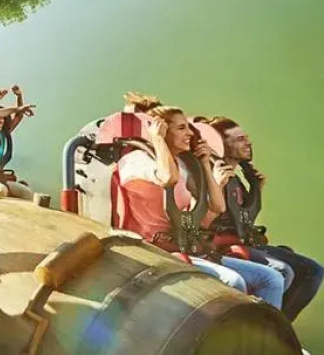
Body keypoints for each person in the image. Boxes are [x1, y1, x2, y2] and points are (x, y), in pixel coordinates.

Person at [115, 93, 286, 308]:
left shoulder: (185, 166)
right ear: (160, 129)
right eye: (181, 128)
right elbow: (167, 178)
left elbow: (215, 208)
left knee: (271, 279)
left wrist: (205, 166)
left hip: (188, 246)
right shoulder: (136, 161)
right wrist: (157, 140)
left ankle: (267, 328)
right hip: (156, 250)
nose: (189, 133)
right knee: (233, 282)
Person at [205, 116, 324, 321]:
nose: (248, 143)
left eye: (246, 137)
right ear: (221, 144)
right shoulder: (216, 176)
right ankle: (271, 326)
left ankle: (279, 324)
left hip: (242, 241)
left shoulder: (234, 179)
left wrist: (255, 190)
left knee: (313, 269)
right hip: (222, 246)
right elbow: (233, 221)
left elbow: (244, 220)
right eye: (240, 139)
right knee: (288, 270)